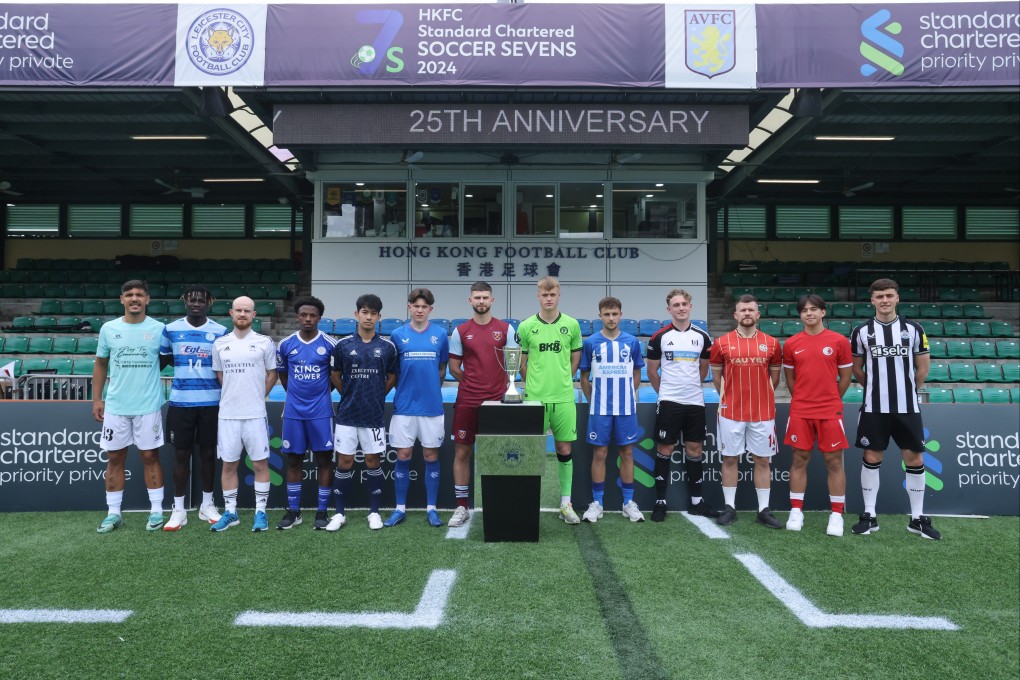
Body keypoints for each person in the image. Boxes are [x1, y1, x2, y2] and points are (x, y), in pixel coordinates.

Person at [849, 278, 938, 539]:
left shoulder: (914, 329)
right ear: (872, 300)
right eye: (879, 296)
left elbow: (923, 368)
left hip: (907, 407)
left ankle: (917, 519)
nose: (884, 300)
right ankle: (869, 516)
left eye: (889, 295)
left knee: (915, 459)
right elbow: (857, 369)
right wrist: (875, 389)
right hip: (874, 407)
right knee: (872, 458)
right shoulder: (861, 332)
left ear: (897, 298)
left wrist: (906, 390)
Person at [93, 280, 167, 533]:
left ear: (147, 300)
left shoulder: (159, 329)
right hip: (116, 405)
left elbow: (167, 359)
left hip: (148, 405)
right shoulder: (109, 328)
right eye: (129, 295)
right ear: (121, 299)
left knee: (149, 455)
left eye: (139, 295)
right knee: (114, 457)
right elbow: (101, 363)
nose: (134, 298)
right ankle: (113, 513)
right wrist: (97, 399)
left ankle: (156, 510)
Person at [645, 289, 720, 522]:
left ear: (690, 307)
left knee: (695, 450)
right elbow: (651, 371)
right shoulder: (659, 337)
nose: (680, 308)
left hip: (695, 402)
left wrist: (690, 388)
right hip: (669, 402)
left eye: (684, 304)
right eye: (675, 305)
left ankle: (697, 502)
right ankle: (660, 502)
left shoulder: (702, 336)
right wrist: (667, 393)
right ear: (669, 309)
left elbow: (704, 369)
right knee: (665, 450)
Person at [709, 294, 783, 528]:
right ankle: (730, 507)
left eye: (751, 310)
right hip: (731, 412)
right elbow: (717, 377)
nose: (747, 313)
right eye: (743, 310)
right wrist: (729, 396)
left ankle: (764, 510)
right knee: (730, 458)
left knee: (762, 459)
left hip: (762, 413)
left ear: (758, 314)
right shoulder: (721, 343)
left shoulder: (772, 343)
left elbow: (775, 378)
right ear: (736, 315)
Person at [782, 294, 853, 536]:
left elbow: (845, 378)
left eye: (814, 309)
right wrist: (802, 398)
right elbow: (790, 378)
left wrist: (831, 399)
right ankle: (796, 511)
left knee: (833, 461)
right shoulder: (791, 343)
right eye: (804, 310)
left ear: (823, 312)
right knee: (799, 459)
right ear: (800, 315)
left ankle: (836, 515)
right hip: (801, 409)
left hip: (829, 410)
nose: (809, 313)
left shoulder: (839, 341)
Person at [326, 293, 398, 532]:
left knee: (372, 462)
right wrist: (347, 393)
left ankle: (374, 512)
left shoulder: (387, 347)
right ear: (356, 314)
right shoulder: (343, 345)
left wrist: (379, 394)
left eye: (373, 313)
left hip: (374, 415)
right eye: (364, 312)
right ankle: (339, 514)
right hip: (347, 414)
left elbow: (392, 376)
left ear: (379, 317)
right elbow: (335, 375)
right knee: (344, 462)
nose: (369, 317)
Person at [159, 284, 228, 530]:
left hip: (211, 403)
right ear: (184, 302)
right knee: (181, 455)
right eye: (192, 299)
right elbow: (163, 360)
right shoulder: (171, 329)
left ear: (209, 302)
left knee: (208, 454)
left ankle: (207, 505)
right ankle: (178, 510)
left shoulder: (220, 331)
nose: (196, 303)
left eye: (201, 300)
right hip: (181, 403)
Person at [447, 282, 516, 528]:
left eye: (485, 297)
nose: (481, 301)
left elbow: (513, 363)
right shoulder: (461, 331)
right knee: (463, 452)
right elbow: (454, 368)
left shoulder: (506, 329)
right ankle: (461, 507)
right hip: (467, 401)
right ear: (470, 301)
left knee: (499, 452)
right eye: (477, 297)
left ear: (492, 300)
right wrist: (472, 383)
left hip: (498, 400)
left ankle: (500, 503)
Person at [517, 276, 583, 524]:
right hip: (535, 400)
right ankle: (526, 502)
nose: (548, 298)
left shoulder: (572, 325)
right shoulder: (526, 327)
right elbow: (522, 363)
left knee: (564, 449)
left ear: (558, 295)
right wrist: (532, 384)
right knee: (532, 452)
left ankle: (566, 504)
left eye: (552, 294)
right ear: (538, 296)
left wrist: (565, 377)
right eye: (544, 295)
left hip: (564, 398)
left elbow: (575, 359)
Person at [209, 296, 277, 532]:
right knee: (229, 464)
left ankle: (261, 512)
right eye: (238, 310)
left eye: (247, 311)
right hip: (228, 414)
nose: (242, 314)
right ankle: (230, 512)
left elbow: (272, 373)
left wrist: (258, 395)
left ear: (254, 315)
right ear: (231, 313)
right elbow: (220, 375)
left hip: (255, 414)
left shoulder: (264, 342)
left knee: (260, 463)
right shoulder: (219, 343)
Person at [384, 288, 449, 528]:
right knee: (403, 455)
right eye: (416, 306)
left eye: (424, 306)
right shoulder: (397, 335)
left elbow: (441, 368)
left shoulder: (441, 334)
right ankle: (400, 508)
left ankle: (431, 508)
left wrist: (432, 388)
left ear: (430, 309)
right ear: (409, 307)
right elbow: (394, 370)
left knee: (431, 456)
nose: (420, 310)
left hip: (431, 407)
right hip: (404, 407)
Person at [579, 297, 646, 523]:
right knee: (600, 453)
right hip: (600, 409)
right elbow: (584, 377)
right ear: (600, 316)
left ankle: (628, 502)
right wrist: (594, 399)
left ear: (620, 315)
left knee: (627, 453)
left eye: (615, 314)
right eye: (606, 314)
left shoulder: (632, 342)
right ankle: (597, 503)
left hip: (626, 408)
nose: (611, 318)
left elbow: (637, 373)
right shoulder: (591, 343)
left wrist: (626, 393)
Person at [275, 296, 338, 530]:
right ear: (298, 317)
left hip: (321, 411)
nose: (308, 319)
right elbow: (283, 375)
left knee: (324, 460)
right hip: (293, 412)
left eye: (313, 315)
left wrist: (320, 395)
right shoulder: (286, 344)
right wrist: (296, 396)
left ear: (319, 318)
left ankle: (322, 511)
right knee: (294, 460)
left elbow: (333, 377)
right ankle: (294, 511)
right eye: (304, 315)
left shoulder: (331, 344)